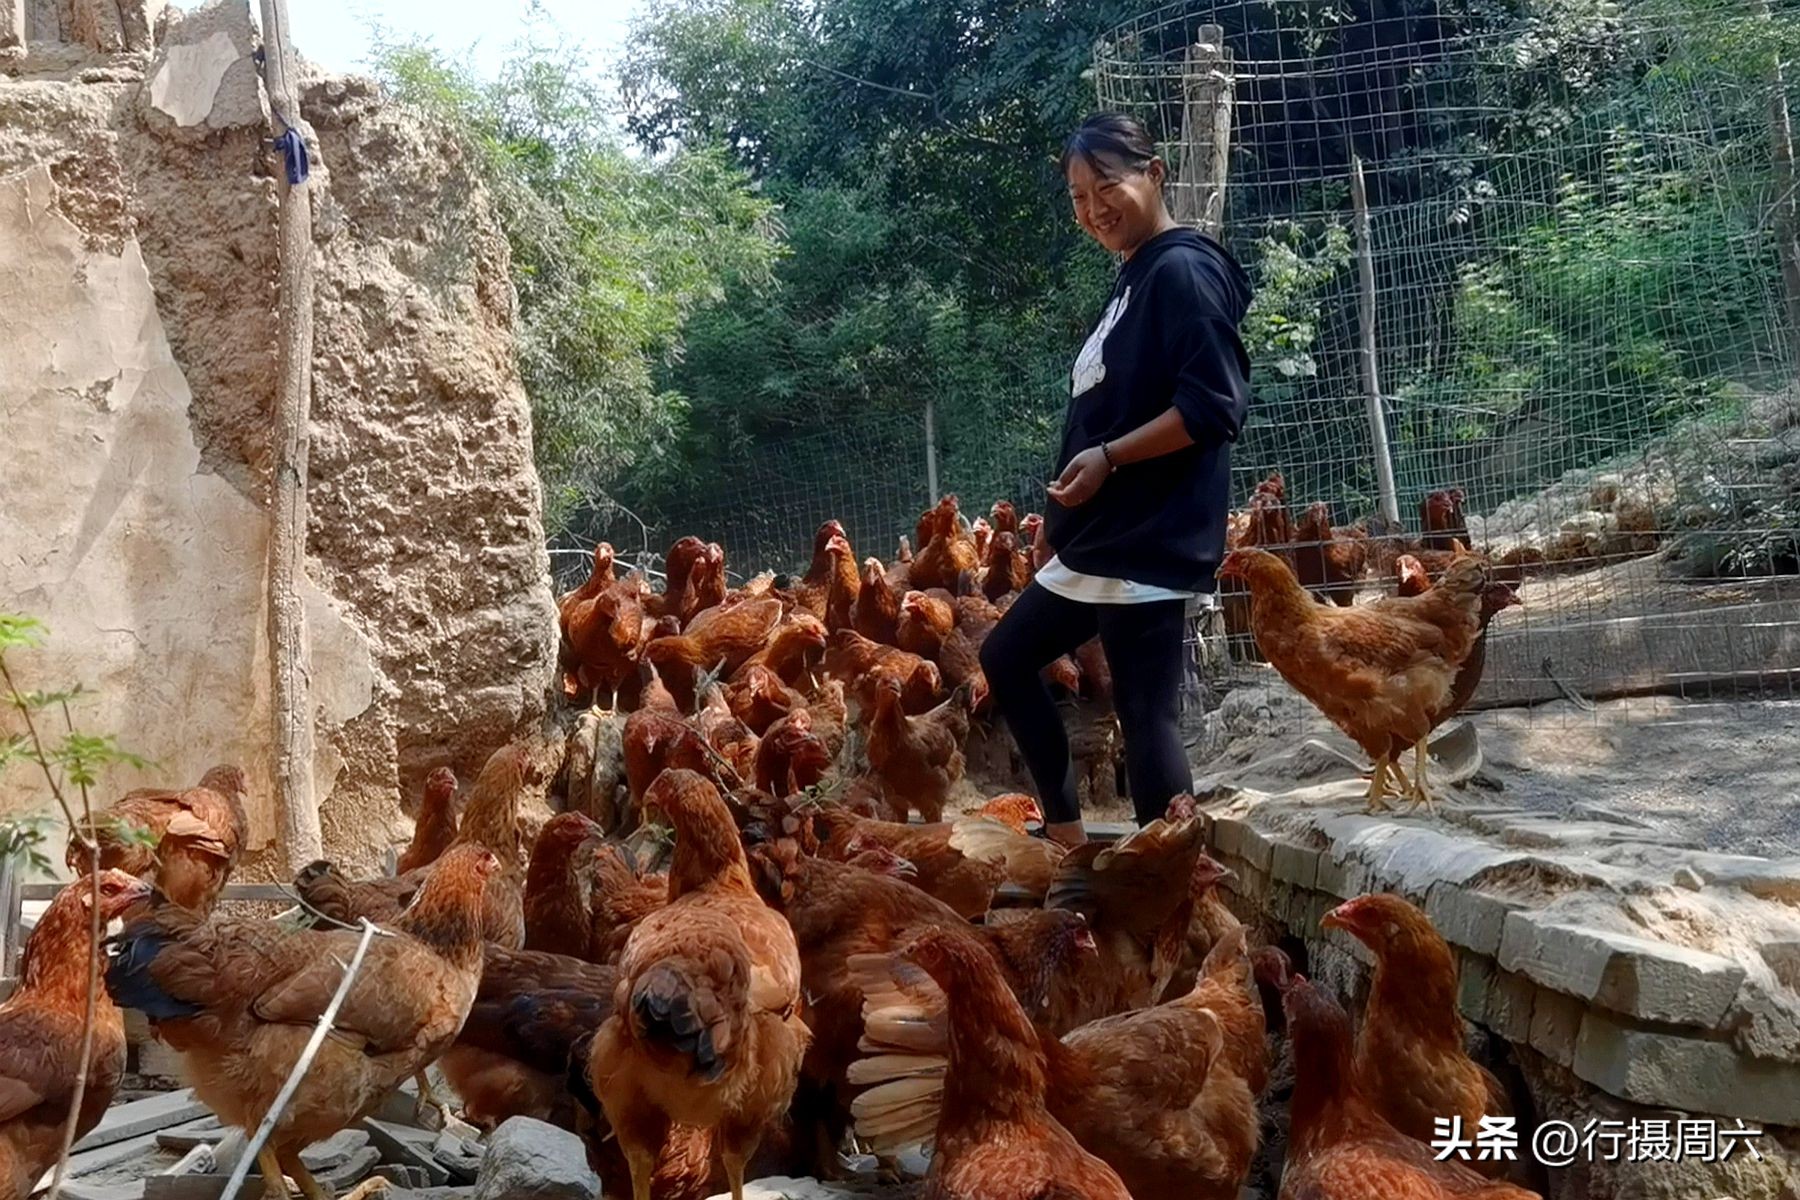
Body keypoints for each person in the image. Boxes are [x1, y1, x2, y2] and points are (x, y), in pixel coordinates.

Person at [979, 112, 1254, 846]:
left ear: (1154, 174)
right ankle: (1070, 845)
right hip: (1106, 538)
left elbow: (1213, 407)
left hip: (1148, 536)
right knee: (1006, 657)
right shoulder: (1138, 273)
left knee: (1145, 713)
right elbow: (1108, 406)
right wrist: (1062, 522)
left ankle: (1174, 883)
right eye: (1078, 196)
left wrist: (1110, 459)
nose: (1093, 209)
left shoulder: (1183, 271)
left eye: (1107, 187)